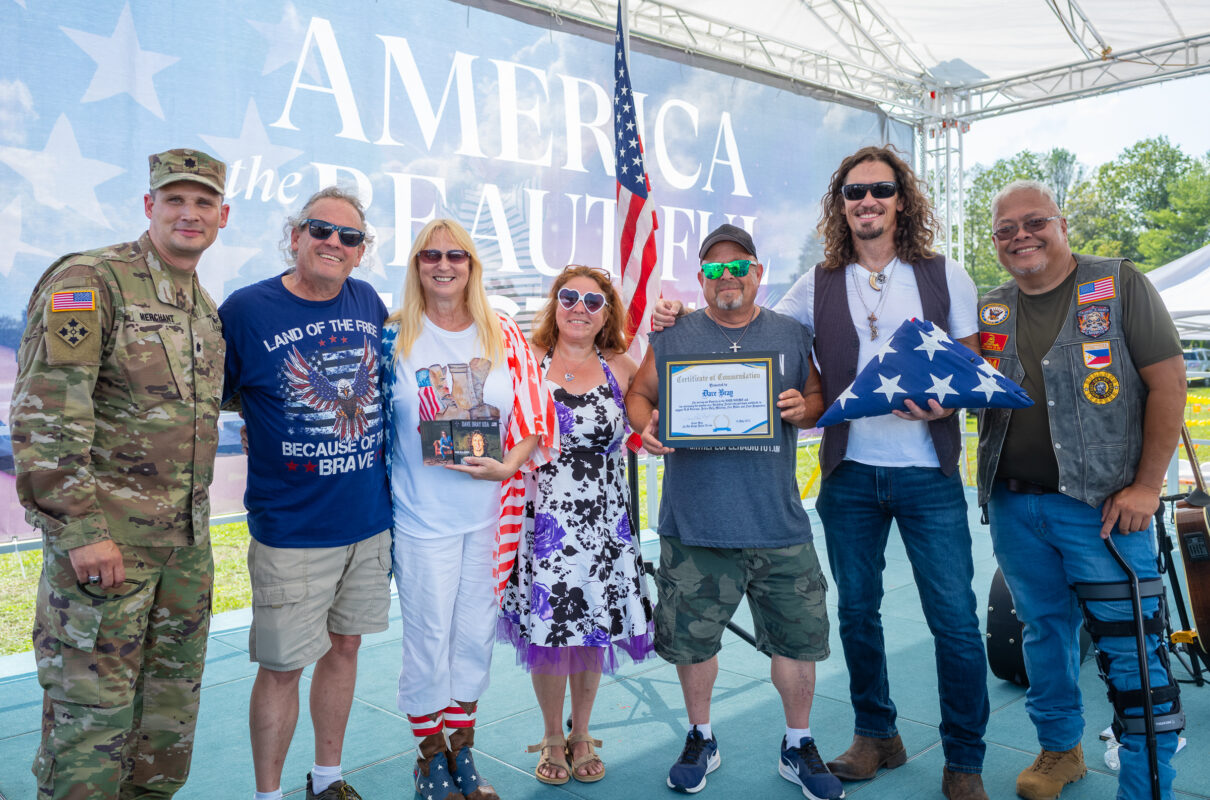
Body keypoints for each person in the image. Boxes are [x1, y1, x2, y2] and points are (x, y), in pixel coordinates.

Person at [652, 146, 991, 800]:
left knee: (952, 618)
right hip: (850, 477)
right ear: (841, 204)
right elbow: (746, 327)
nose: (867, 201)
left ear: (902, 199)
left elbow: (974, 375)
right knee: (859, 614)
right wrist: (673, 319)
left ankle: (965, 760)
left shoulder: (947, 275)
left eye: (880, 190)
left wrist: (949, 398)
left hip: (930, 477)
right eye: (854, 191)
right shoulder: (816, 285)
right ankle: (876, 736)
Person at [11, 148, 229, 799]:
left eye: (202, 203)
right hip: (108, 553)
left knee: (164, 733)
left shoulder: (204, 310)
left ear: (222, 215)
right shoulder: (90, 281)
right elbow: (47, 411)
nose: (189, 214)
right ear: (148, 205)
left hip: (183, 554)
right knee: (91, 729)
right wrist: (80, 531)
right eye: (175, 199)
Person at [978, 180, 1186, 800]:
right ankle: (1059, 750)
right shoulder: (989, 308)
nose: (1021, 236)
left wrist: (1148, 486)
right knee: (1043, 633)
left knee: (1134, 649)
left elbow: (1170, 382)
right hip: (1014, 505)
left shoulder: (1119, 284)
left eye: (1034, 222)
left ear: (1062, 223)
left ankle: (1149, 786)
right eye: (1006, 229)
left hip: (1104, 510)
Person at [626, 225, 842, 800]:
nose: (729, 278)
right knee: (693, 646)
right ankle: (701, 737)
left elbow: (818, 399)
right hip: (696, 525)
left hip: (777, 523)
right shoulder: (673, 335)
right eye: (715, 270)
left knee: (798, 644)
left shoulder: (792, 335)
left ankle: (797, 743)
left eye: (738, 266)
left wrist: (804, 407)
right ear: (701, 280)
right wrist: (643, 425)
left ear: (757, 271)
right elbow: (640, 393)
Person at [219, 187, 392, 800]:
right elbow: (210, 393)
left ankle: (328, 779)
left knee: (344, 649)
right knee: (282, 666)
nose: (334, 244)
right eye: (321, 230)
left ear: (361, 252)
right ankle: (269, 795)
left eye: (349, 237)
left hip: (368, 523)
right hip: (291, 530)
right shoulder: (246, 310)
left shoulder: (367, 300)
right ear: (295, 236)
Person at [382, 218, 558, 800]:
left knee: (474, 634)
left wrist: (511, 464)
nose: (443, 265)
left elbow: (535, 414)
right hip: (419, 515)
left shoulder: (501, 331)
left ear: (471, 265)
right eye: (430, 255)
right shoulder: (393, 335)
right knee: (427, 634)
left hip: (491, 516)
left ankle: (463, 751)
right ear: (416, 266)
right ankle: (429, 756)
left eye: (456, 255)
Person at [498, 266, 656, 785]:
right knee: (549, 634)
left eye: (594, 301)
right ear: (554, 303)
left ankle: (582, 733)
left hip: (604, 527)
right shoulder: (525, 360)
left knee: (592, 632)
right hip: (542, 525)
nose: (580, 308)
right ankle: (550, 736)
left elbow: (659, 408)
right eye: (570, 297)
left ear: (607, 313)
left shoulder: (622, 365)